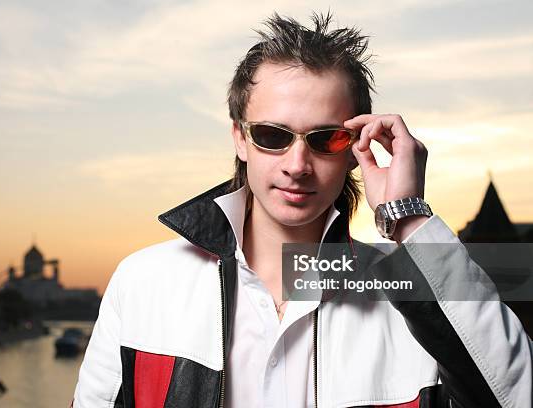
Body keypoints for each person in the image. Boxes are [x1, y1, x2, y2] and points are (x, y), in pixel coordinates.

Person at [72, 11, 532, 408]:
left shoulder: (405, 296)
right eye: (273, 135)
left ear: (356, 147)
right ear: (240, 138)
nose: (297, 166)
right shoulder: (144, 282)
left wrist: (409, 219)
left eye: (325, 138)